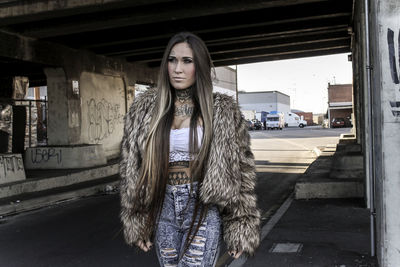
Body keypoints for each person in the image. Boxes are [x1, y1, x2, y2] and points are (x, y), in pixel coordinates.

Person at [119, 32, 260, 267]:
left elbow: (242, 172)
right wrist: (137, 219)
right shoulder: (145, 109)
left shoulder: (222, 111)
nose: (177, 69)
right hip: (162, 209)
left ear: (200, 66)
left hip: (202, 208)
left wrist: (240, 226)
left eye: (187, 61)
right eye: (172, 60)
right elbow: (130, 168)